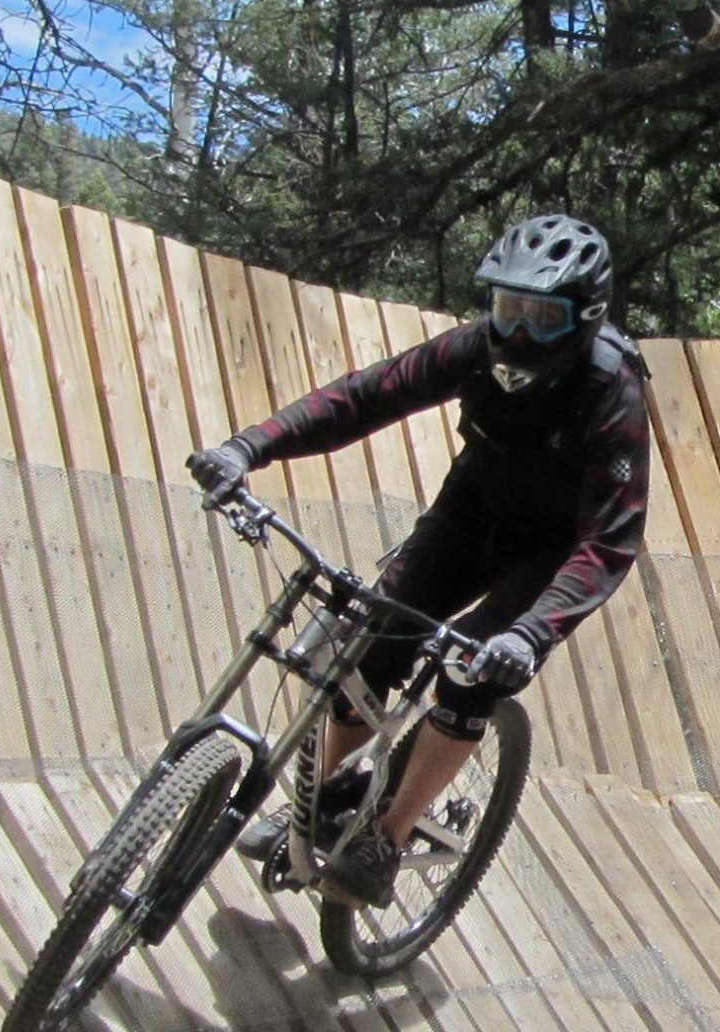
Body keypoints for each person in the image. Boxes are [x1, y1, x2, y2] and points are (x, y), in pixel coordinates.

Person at [187, 212, 651, 909]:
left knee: (469, 677)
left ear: (585, 319)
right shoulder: (472, 350)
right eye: (507, 308)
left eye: (542, 318)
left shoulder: (613, 393)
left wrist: (528, 633)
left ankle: (389, 835)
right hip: (470, 515)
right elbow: (364, 398)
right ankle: (315, 811)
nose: (518, 333)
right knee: (372, 648)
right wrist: (249, 447)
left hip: (550, 553)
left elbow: (610, 540)